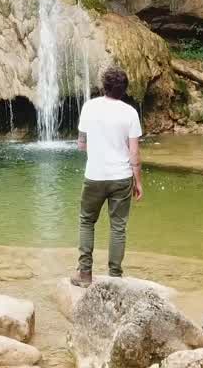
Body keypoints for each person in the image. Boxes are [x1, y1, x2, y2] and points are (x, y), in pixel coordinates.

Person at [71, 66, 143, 287]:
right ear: (124, 90)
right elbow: (134, 152)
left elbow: (81, 144)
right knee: (118, 226)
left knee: (86, 221)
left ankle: (84, 274)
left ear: (104, 86)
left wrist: (91, 144)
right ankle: (115, 277)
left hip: (94, 175)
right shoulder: (130, 113)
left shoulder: (89, 107)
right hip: (121, 177)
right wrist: (137, 181)